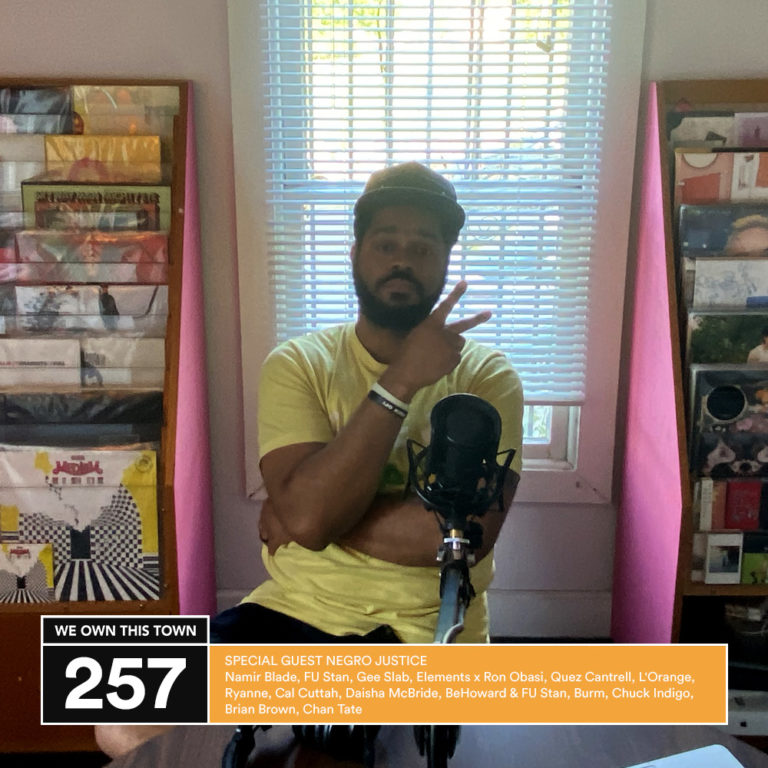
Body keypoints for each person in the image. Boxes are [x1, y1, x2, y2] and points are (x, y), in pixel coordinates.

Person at [211, 161, 524, 645]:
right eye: (385, 244)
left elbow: (461, 540)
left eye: (423, 248)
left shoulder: (486, 377)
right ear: (355, 254)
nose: (403, 261)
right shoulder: (298, 364)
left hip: (428, 624)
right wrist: (400, 381)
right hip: (295, 606)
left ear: (445, 261)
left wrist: (310, 516)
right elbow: (310, 517)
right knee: (134, 683)